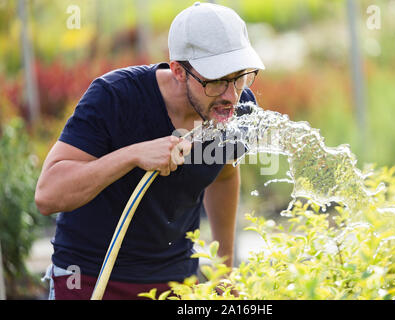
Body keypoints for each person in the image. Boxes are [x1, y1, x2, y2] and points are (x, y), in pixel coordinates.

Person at [35, 2, 265, 300]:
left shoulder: (238, 108)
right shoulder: (115, 98)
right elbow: (48, 194)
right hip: (91, 277)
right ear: (179, 71)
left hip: (176, 282)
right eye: (217, 80)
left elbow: (223, 175)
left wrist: (224, 270)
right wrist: (132, 155)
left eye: (239, 76)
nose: (231, 96)